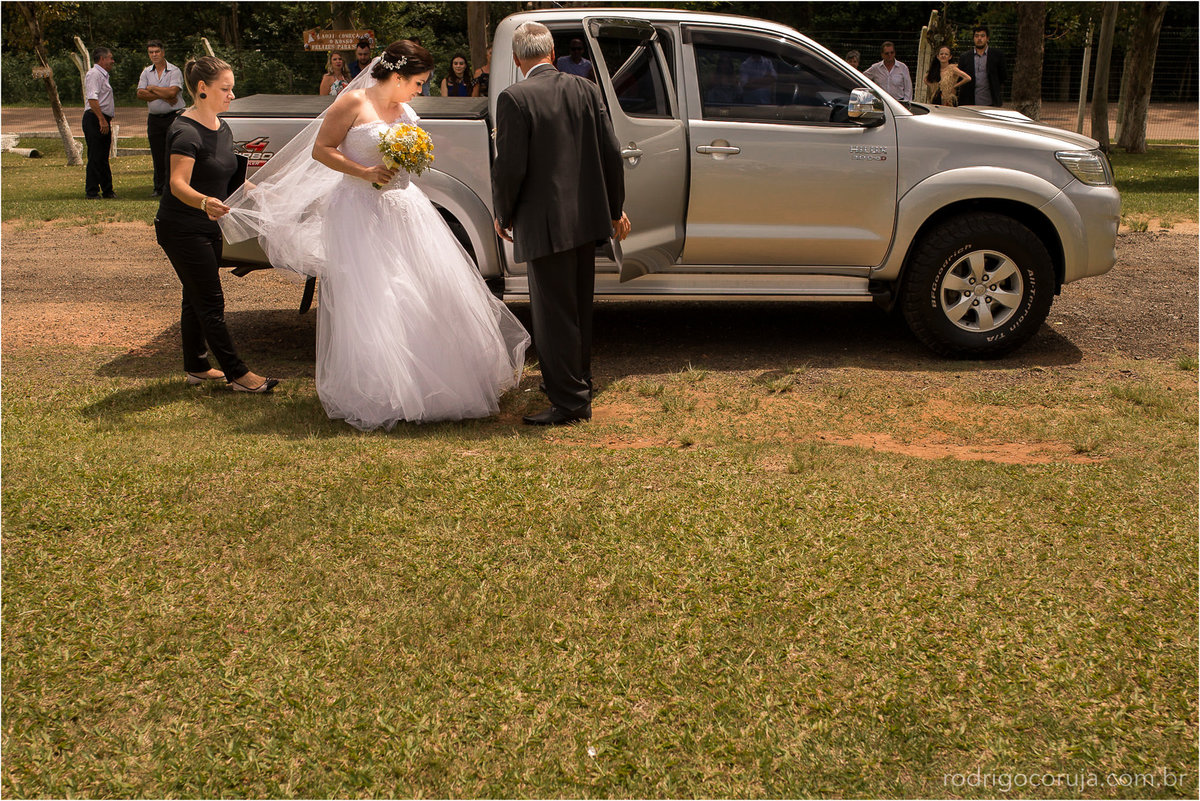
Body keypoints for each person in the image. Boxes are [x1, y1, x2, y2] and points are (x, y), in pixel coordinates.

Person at [222, 41, 528, 429]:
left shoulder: (405, 109)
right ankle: (383, 388)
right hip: (359, 209)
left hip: (404, 206)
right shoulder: (352, 103)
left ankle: (431, 380)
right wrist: (363, 171)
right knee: (377, 294)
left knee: (423, 287)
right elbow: (322, 149)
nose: (419, 90)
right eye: (417, 82)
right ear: (397, 77)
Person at [492, 22, 630, 426]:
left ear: (517, 60)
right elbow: (611, 152)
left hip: (545, 221)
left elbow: (510, 168)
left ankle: (569, 402)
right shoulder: (586, 89)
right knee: (577, 308)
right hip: (587, 219)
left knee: (553, 316)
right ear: (552, 53)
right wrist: (613, 208)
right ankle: (576, 382)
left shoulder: (515, 98)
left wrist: (504, 212)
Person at [155, 56, 278, 393]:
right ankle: (238, 374)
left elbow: (229, 181)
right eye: (226, 88)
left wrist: (266, 193)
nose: (232, 95)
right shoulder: (184, 131)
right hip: (181, 227)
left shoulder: (221, 127)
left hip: (208, 226)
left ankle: (196, 367)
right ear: (202, 89)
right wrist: (204, 202)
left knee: (194, 296)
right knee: (210, 302)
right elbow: (178, 184)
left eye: (232, 88)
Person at [137, 39, 186, 197]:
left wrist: (151, 88)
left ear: (163, 52)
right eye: (151, 52)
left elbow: (173, 93)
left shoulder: (174, 71)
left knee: (173, 152)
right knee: (157, 153)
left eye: (157, 52)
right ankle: (158, 187)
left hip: (173, 117)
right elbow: (140, 94)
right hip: (155, 119)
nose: (154, 55)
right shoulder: (146, 72)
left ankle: (174, 187)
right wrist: (163, 95)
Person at [82, 47, 117, 199]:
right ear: (102, 59)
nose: (112, 61)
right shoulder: (94, 74)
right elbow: (92, 98)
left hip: (102, 118)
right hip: (95, 118)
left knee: (103, 156)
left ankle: (107, 189)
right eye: (110, 58)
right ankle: (92, 191)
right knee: (95, 155)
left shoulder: (103, 75)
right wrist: (101, 119)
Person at [958, 25, 1007, 106]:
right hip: (969, 102)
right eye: (976, 36)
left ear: (987, 38)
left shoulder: (997, 55)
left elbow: (1003, 76)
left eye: (982, 36)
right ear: (973, 38)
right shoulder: (965, 57)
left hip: (990, 102)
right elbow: (960, 78)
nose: (979, 38)